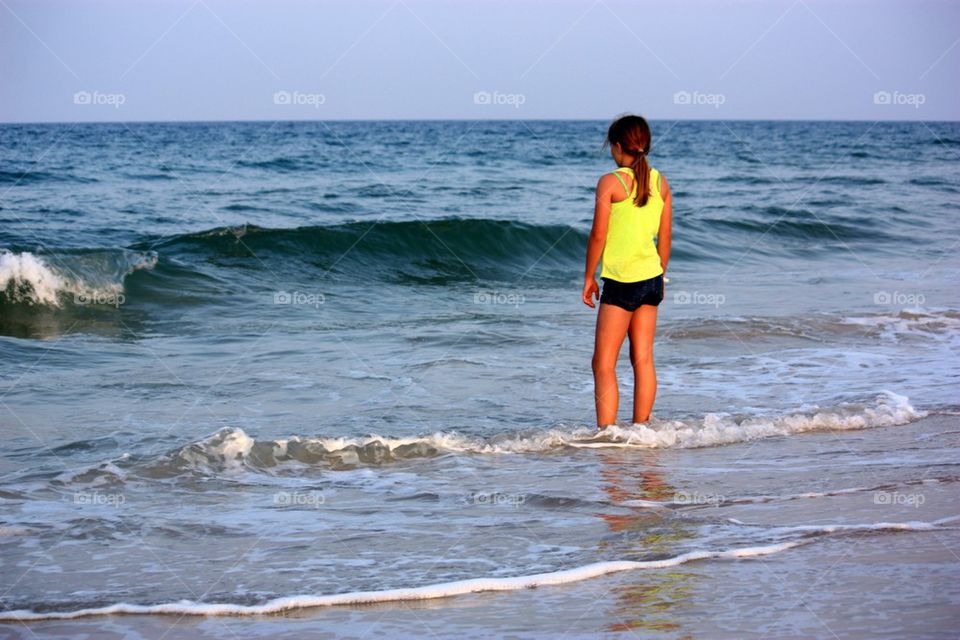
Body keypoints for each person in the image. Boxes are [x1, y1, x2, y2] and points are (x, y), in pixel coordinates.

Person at [582, 114, 672, 429]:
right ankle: (642, 431)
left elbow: (598, 235)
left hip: (622, 282)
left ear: (618, 146)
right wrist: (659, 276)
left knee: (603, 363)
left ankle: (608, 434)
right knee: (643, 359)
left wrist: (588, 277)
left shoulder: (611, 182)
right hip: (652, 279)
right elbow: (666, 238)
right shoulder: (661, 182)